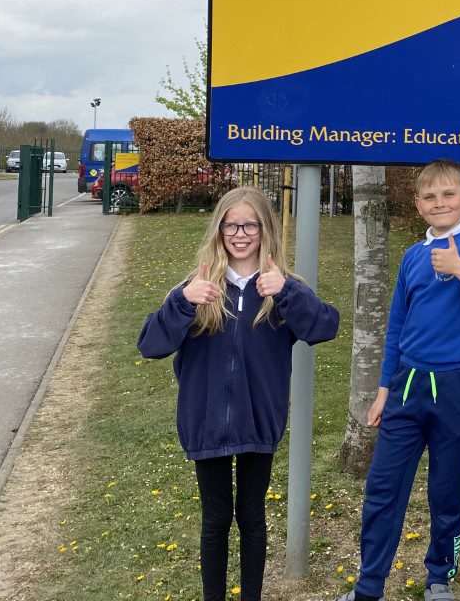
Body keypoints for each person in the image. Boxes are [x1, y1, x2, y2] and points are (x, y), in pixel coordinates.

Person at [137, 186, 340, 601]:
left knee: (251, 516)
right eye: (232, 224)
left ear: (265, 230)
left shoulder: (281, 289)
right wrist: (181, 301)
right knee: (214, 519)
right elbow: (150, 345)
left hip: (257, 420)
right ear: (219, 230)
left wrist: (286, 291)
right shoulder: (197, 288)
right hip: (207, 421)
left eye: (250, 224)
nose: (241, 233)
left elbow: (324, 327)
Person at [343, 159, 460, 601]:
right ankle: (369, 587)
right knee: (382, 490)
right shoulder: (412, 257)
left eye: (449, 195)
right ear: (419, 206)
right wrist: (384, 390)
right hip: (406, 389)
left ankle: (439, 577)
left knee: (446, 491)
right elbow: (396, 327)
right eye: (430, 197)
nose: (440, 203)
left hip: (457, 388)